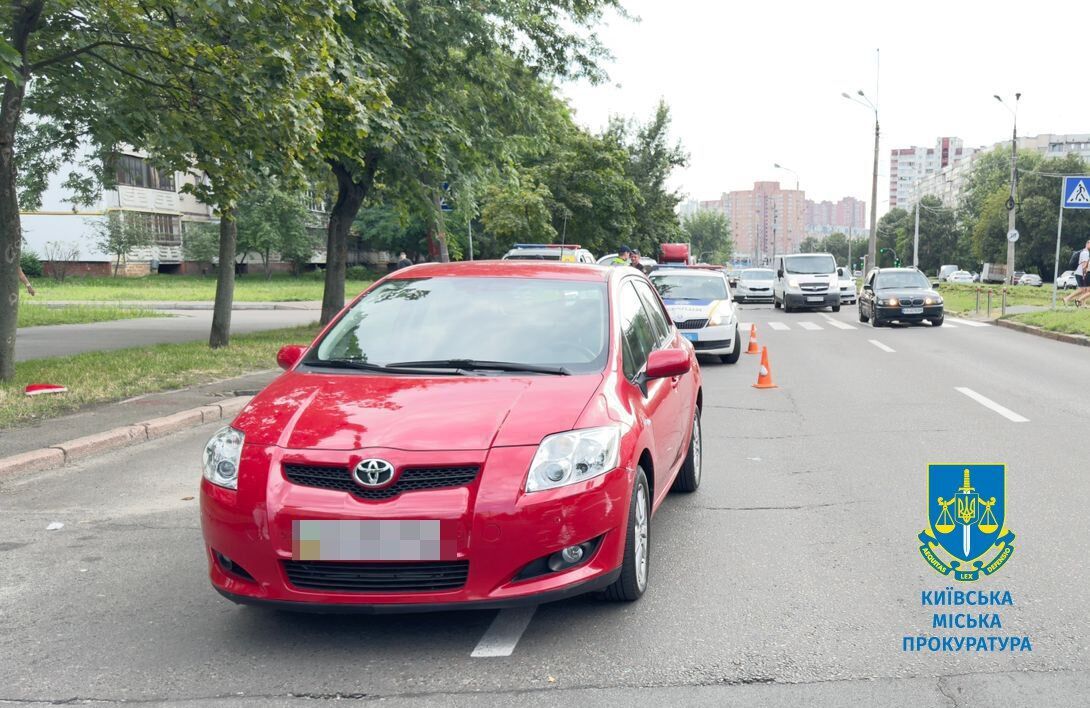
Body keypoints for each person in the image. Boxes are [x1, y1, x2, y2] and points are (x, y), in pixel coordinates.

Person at [1067, 238, 1090, 306]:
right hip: (1081, 273)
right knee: (1082, 289)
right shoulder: (1085, 253)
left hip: (1081, 273)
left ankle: (1082, 303)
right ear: (1087, 244)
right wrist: (1084, 274)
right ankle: (1069, 299)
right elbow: (1084, 266)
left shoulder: (1085, 252)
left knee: (1084, 290)